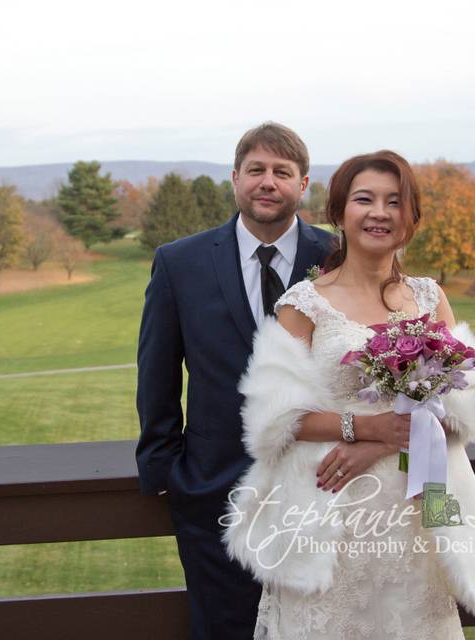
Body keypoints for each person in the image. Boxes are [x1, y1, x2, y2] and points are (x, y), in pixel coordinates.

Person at [222, 150, 475, 639]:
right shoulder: (304, 304)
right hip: (330, 508)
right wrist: (362, 427)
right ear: (339, 212)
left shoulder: (428, 297)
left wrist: (381, 443)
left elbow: (464, 403)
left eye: (394, 202)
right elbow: (270, 420)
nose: (380, 212)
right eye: (365, 199)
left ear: (410, 217)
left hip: (417, 507)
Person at [135, 122, 334, 638]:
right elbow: (157, 369)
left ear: (303, 184)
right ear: (235, 178)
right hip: (215, 492)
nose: (267, 182)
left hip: (324, 492)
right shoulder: (179, 262)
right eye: (256, 170)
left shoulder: (336, 258)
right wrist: (166, 470)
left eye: (282, 172)